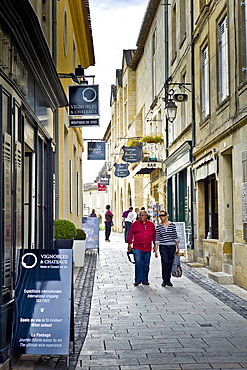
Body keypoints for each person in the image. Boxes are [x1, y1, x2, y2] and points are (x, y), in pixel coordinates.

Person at [127, 210, 157, 286]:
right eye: (140, 215)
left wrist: (155, 245)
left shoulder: (151, 224)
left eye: (143, 215)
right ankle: (138, 279)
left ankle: (145, 279)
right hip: (137, 247)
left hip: (147, 247)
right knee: (138, 263)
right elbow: (130, 234)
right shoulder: (135, 224)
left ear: (146, 216)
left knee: (146, 264)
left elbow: (154, 235)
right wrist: (129, 244)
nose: (141, 217)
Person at [155, 211, 180, 287]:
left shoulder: (172, 225)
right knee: (164, 262)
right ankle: (164, 280)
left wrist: (178, 247)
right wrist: (156, 250)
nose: (161, 217)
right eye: (160, 216)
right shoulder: (159, 226)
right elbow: (157, 238)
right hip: (163, 246)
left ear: (166, 216)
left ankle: (168, 280)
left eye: (163, 215)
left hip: (171, 246)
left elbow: (175, 236)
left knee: (170, 262)